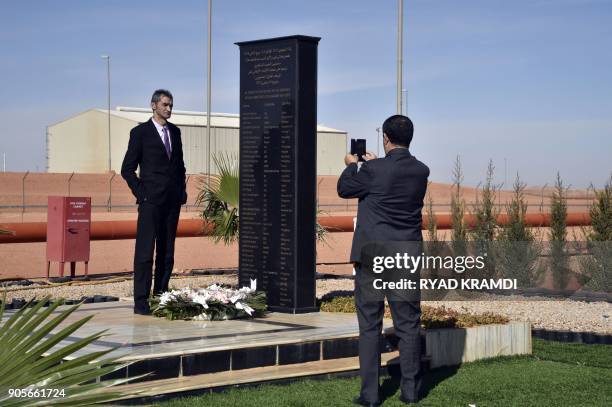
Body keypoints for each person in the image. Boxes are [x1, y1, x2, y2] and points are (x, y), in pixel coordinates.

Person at [337, 115, 429, 406]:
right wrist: (372, 166)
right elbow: (391, 182)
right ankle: (411, 392)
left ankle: (370, 395)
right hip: (406, 255)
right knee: (408, 324)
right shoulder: (421, 171)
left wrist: (354, 165)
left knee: (369, 324)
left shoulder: (372, 170)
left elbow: (344, 189)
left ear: (386, 138)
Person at [121, 89, 187, 315]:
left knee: (167, 253)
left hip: (172, 202)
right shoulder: (140, 132)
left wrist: (182, 192)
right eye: (165, 105)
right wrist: (142, 194)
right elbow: (127, 169)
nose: (169, 109)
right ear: (153, 106)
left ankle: (161, 296)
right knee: (145, 252)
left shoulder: (175, 133)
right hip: (150, 202)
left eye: (171, 105)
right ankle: (141, 301)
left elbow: (180, 166)